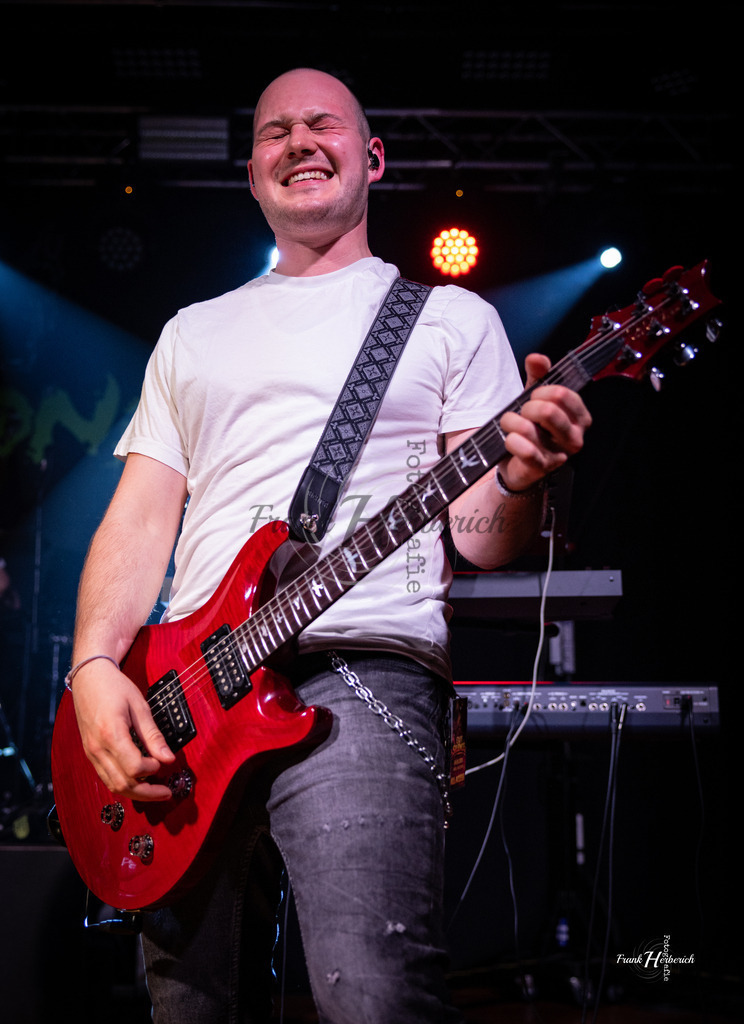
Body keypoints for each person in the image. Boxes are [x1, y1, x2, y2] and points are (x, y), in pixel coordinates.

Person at [66, 68, 592, 1023]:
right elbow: (141, 519)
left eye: (323, 125)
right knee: (188, 1005)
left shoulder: (448, 319)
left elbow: (479, 540)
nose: (300, 141)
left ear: (372, 159)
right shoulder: (193, 332)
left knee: (375, 996)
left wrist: (522, 477)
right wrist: (95, 664)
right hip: (192, 696)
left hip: (365, 675)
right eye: (275, 131)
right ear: (255, 174)